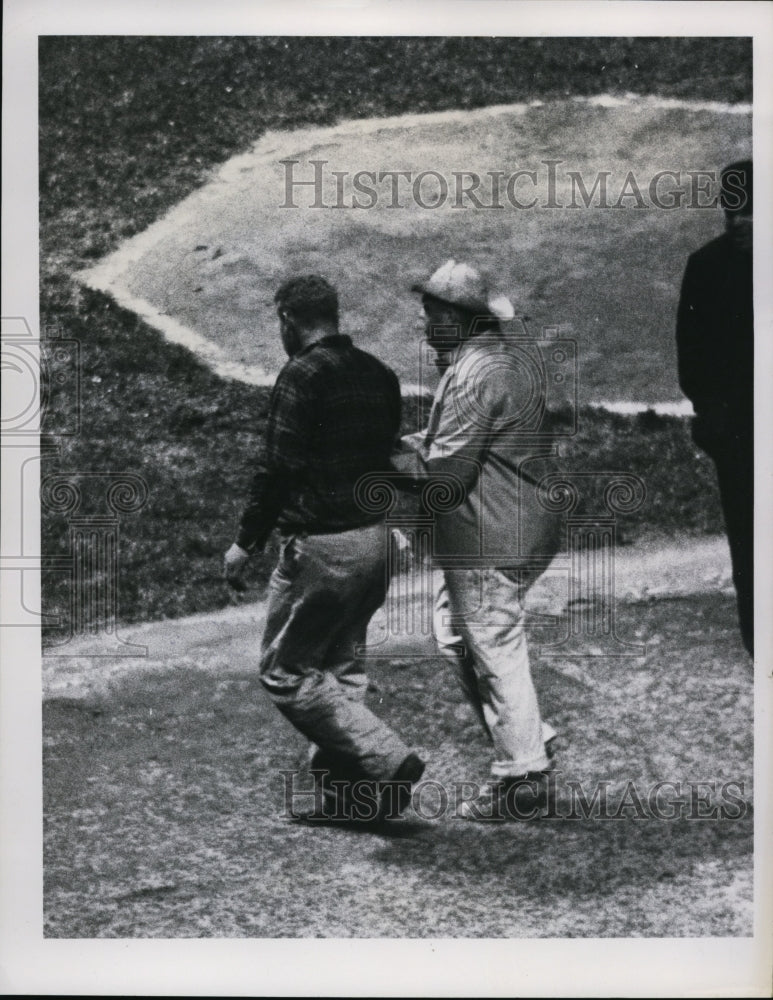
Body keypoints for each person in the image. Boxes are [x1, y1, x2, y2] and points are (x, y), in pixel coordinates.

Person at [224, 275, 425, 823]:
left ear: (289, 319)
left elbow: (279, 467)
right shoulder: (378, 374)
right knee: (339, 669)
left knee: (286, 672)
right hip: (377, 542)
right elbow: (390, 457)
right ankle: (356, 800)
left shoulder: (301, 375)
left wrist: (246, 542)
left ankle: (388, 758)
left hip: (323, 550)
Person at [392, 260, 562, 820]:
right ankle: (529, 735)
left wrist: (379, 458)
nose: (424, 326)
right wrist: (403, 444)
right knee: (454, 632)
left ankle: (523, 779)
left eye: (431, 316)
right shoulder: (499, 359)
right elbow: (451, 442)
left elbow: (446, 475)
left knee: (493, 642)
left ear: (458, 319)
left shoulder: (474, 373)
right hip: (514, 523)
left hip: (492, 535)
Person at [676, 160, 753, 657]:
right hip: (741, 438)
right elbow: (692, 358)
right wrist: (716, 421)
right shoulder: (707, 266)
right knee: (749, 546)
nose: (737, 222)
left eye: (750, 213)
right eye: (731, 211)